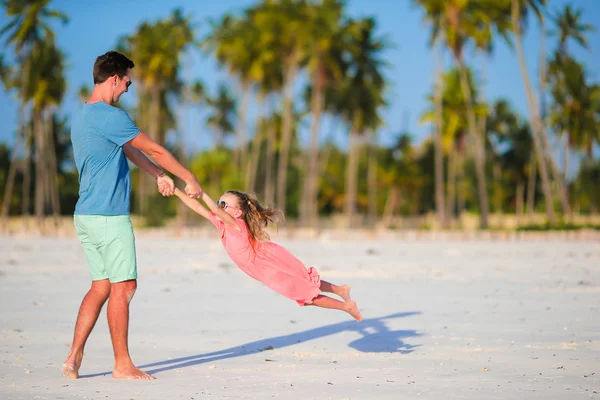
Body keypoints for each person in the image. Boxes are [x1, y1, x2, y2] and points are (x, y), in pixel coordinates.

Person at [63, 51, 203, 381]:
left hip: (86, 215)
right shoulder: (112, 117)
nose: (128, 87)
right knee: (124, 287)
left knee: (101, 286)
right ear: (114, 78)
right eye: (127, 80)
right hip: (109, 217)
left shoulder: (83, 116)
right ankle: (122, 364)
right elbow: (153, 147)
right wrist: (188, 177)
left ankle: (73, 357)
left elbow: (127, 149)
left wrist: (158, 175)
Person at [174, 188, 363, 321]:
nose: (219, 206)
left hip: (266, 265)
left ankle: (346, 306)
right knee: (304, 283)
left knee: (304, 294)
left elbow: (212, 209)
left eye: (224, 204)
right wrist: (175, 190)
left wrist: (201, 192)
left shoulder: (235, 224)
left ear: (238, 213)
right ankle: (339, 290)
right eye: (219, 202)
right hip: (262, 263)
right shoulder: (221, 223)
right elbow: (198, 207)